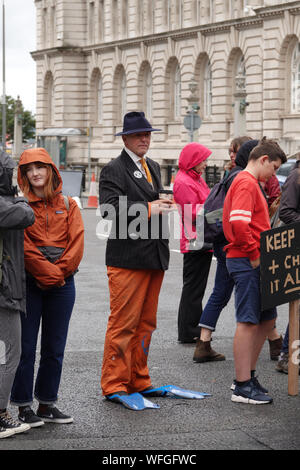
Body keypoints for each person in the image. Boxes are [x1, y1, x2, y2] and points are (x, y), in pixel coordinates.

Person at [99, 111, 173, 406]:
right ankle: (114, 382)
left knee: (146, 323)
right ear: (125, 138)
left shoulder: (153, 165)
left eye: (148, 134)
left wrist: (164, 205)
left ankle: (138, 379)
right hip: (127, 259)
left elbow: (152, 202)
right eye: (140, 134)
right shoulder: (113, 169)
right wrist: (149, 207)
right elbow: (108, 211)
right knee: (124, 323)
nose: (145, 138)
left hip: (153, 256)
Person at [10, 148, 84, 426]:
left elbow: (76, 243)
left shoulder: (69, 203)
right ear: (24, 175)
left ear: (51, 170)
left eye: (40, 167)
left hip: (63, 284)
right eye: (29, 169)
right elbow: (24, 248)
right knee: (25, 347)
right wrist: (49, 273)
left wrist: (59, 273)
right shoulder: (20, 206)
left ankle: (47, 404)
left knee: (55, 347)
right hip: (31, 283)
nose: (35, 173)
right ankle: (23, 406)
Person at [223, 137, 287, 404]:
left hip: (255, 257)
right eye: (273, 167)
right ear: (263, 160)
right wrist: (253, 255)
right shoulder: (247, 183)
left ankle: (247, 375)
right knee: (248, 321)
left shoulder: (249, 183)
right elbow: (239, 224)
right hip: (248, 259)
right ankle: (242, 384)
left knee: (266, 319)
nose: (274, 174)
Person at [193, 139, 258, 362]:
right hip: (234, 243)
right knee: (243, 294)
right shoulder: (242, 178)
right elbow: (239, 219)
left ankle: (204, 341)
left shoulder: (230, 175)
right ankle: (275, 343)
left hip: (222, 240)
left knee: (221, 291)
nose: (231, 155)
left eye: (234, 151)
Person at [0, 152, 34, 438]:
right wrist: (21, 196)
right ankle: (0, 414)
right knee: (11, 352)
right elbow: (26, 215)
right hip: (4, 291)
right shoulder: (8, 205)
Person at [173, 142, 213, 343]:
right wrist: (218, 214)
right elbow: (193, 213)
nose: (205, 164)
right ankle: (188, 330)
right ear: (194, 161)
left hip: (199, 239)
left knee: (196, 288)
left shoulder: (193, 178)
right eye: (203, 160)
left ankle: (191, 327)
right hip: (194, 240)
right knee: (193, 289)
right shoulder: (185, 181)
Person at [275, 156, 300, 374]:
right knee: (298, 306)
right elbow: (286, 211)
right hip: (297, 248)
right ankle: (286, 356)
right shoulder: (296, 176)